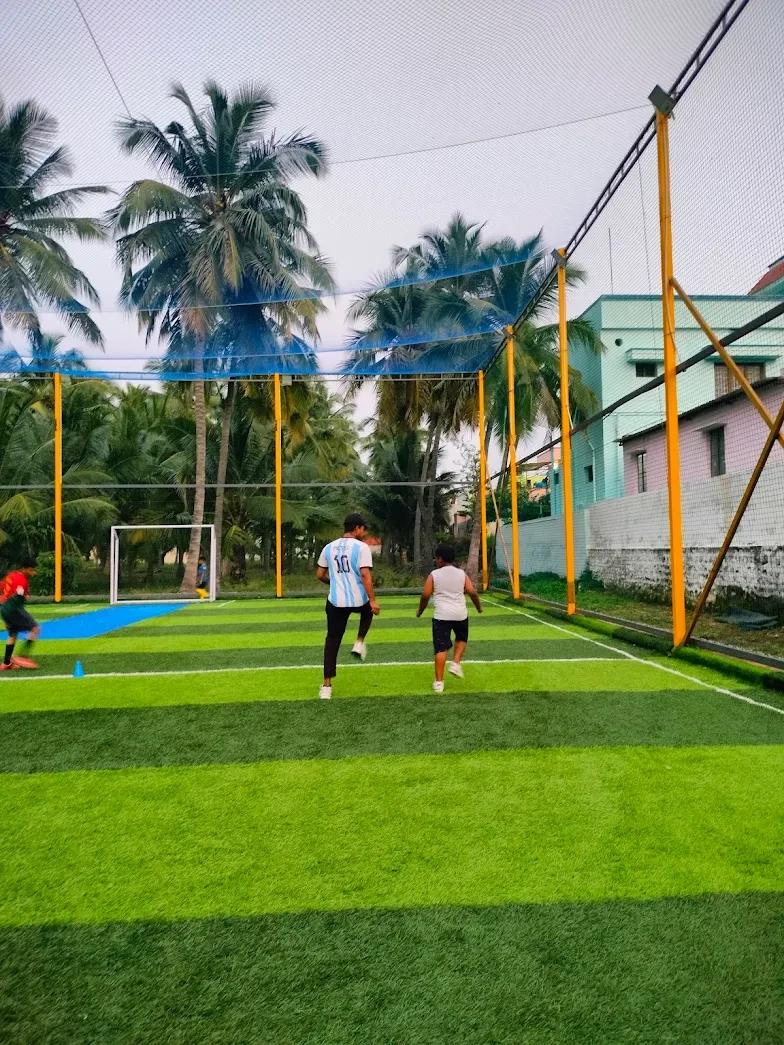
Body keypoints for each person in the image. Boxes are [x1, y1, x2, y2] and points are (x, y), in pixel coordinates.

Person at [316, 513, 380, 700]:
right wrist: (373, 600)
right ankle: (359, 641)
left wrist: (333, 583)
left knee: (332, 640)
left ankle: (326, 686)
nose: (364, 532)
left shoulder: (329, 547)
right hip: (358, 599)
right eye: (363, 528)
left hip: (336, 601)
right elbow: (365, 575)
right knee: (368, 610)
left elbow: (319, 574)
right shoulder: (361, 547)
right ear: (357, 528)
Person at [417, 543, 482, 693]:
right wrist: (478, 607)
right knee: (461, 639)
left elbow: (425, 595)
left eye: (436, 558)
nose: (436, 561)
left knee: (441, 648)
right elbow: (472, 592)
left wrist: (420, 611)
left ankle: (439, 683)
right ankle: (456, 663)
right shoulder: (461, 574)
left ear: (440, 559)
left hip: (442, 616)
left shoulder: (434, 574)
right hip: (460, 614)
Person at [0, 557, 41, 670]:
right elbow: (18, 597)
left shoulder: (11, 575)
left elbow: (2, 587)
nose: (34, 573)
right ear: (24, 568)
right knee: (35, 629)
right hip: (13, 609)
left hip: (4, 609)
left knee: (13, 634)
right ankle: (22, 657)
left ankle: (6, 663)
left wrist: (6, 614)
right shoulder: (21, 580)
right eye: (32, 570)